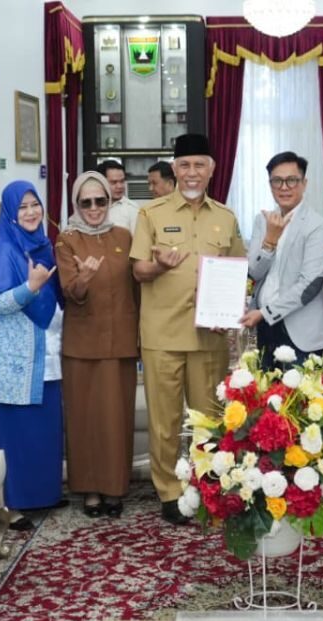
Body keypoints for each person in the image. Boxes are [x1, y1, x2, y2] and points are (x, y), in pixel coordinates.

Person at [130, 133, 246, 525]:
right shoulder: (151, 214)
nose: (192, 172)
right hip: (162, 334)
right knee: (164, 423)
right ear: (174, 169)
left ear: (212, 170)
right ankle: (169, 492)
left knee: (209, 420)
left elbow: (237, 272)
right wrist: (159, 265)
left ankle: (208, 487)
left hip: (208, 337)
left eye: (199, 165)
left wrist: (229, 311)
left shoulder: (225, 217)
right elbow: (138, 270)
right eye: (184, 165)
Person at [56, 171, 138, 518]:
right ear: (76, 204)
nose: (93, 208)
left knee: (117, 418)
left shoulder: (124, 236)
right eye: (85, 202)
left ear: (109, 200)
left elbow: (138, 287)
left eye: (100, 200)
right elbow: (69, 292)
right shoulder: (67, 240)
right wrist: (83, 279)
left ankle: (115, 488)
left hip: (121, 341)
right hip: (83, 345)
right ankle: (90, 490)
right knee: (85, 419)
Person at [0, 181, 65, 511]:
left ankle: (44, 495)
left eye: (35, 205)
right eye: (22, 207)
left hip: (44, 353)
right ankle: (13, 502)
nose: (30, 213)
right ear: (10, 213)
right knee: (14, 434)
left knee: (43, 430)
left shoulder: (43, 246)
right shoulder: (0, 250)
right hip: (11, 360)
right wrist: (30, 286)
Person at [241, 151, 323, 371]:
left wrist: (265, 312)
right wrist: (270, 242)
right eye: (277, 181)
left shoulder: (317, 226)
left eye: (292, 180)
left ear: (304, 183)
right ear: (270, 184)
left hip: (300, 331)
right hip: (264, 327)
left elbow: (309, 286)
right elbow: (254, 272)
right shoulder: (262, 221)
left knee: (300, 393)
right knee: (265, 390)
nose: (284, 187)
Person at [96, 159, 139, 231]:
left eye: (122, 181)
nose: (119, 186)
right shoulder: (89, 207)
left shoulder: (132, 209)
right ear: (100, 182)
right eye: (113, 182)